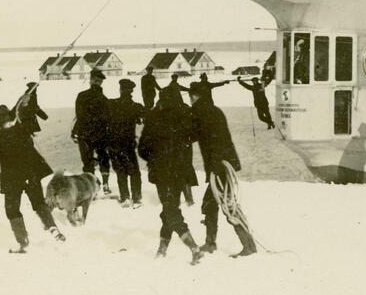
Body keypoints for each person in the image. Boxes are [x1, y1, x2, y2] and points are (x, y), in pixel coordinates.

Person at [137, 90, 203, 264]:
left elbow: (142, 148)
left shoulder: (153, 117)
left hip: (162, 172)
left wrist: (154, 157)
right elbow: (196, 134)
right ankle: (162, 250)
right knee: (170, 208)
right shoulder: (186, 115)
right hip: (181, 172)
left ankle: (194, 249)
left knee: (170, 210)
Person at [0, 103, 65, 253]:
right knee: (38, 203)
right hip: (31, 174)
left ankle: (22, 241)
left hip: (12, 179)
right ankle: (53, 228)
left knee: (12, 210)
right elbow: (29, 142)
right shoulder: (23, 129)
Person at [192, 94, 256, 258]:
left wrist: (216, 166)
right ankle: (210, 243)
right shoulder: (213, 110)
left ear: (194, 96)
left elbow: (209, 139)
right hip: (222, 163)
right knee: (210, 204)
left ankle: (248, 246)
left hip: (219, 166)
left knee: (227, 205)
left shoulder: (201, 112)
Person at [72, 68, 112, 194]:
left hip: (85, 134)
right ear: (100, 82)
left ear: (90, 81)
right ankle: (105, 184)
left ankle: (91, 187)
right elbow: (108, 118)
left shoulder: (82, 96)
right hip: (101, 134)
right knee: (103, 158)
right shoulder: (105, 99)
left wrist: (75, 131)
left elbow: (80, 116)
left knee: (87, 161)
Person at [107, 79, 144, 208]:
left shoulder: (111, 104)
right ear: (132, 91)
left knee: (120, 171)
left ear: (121, 89)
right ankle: (137, 198)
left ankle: (125, 197)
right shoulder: (136, 106)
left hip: (113, 143)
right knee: (134, 172)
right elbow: (143, 119)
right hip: (128, 144)